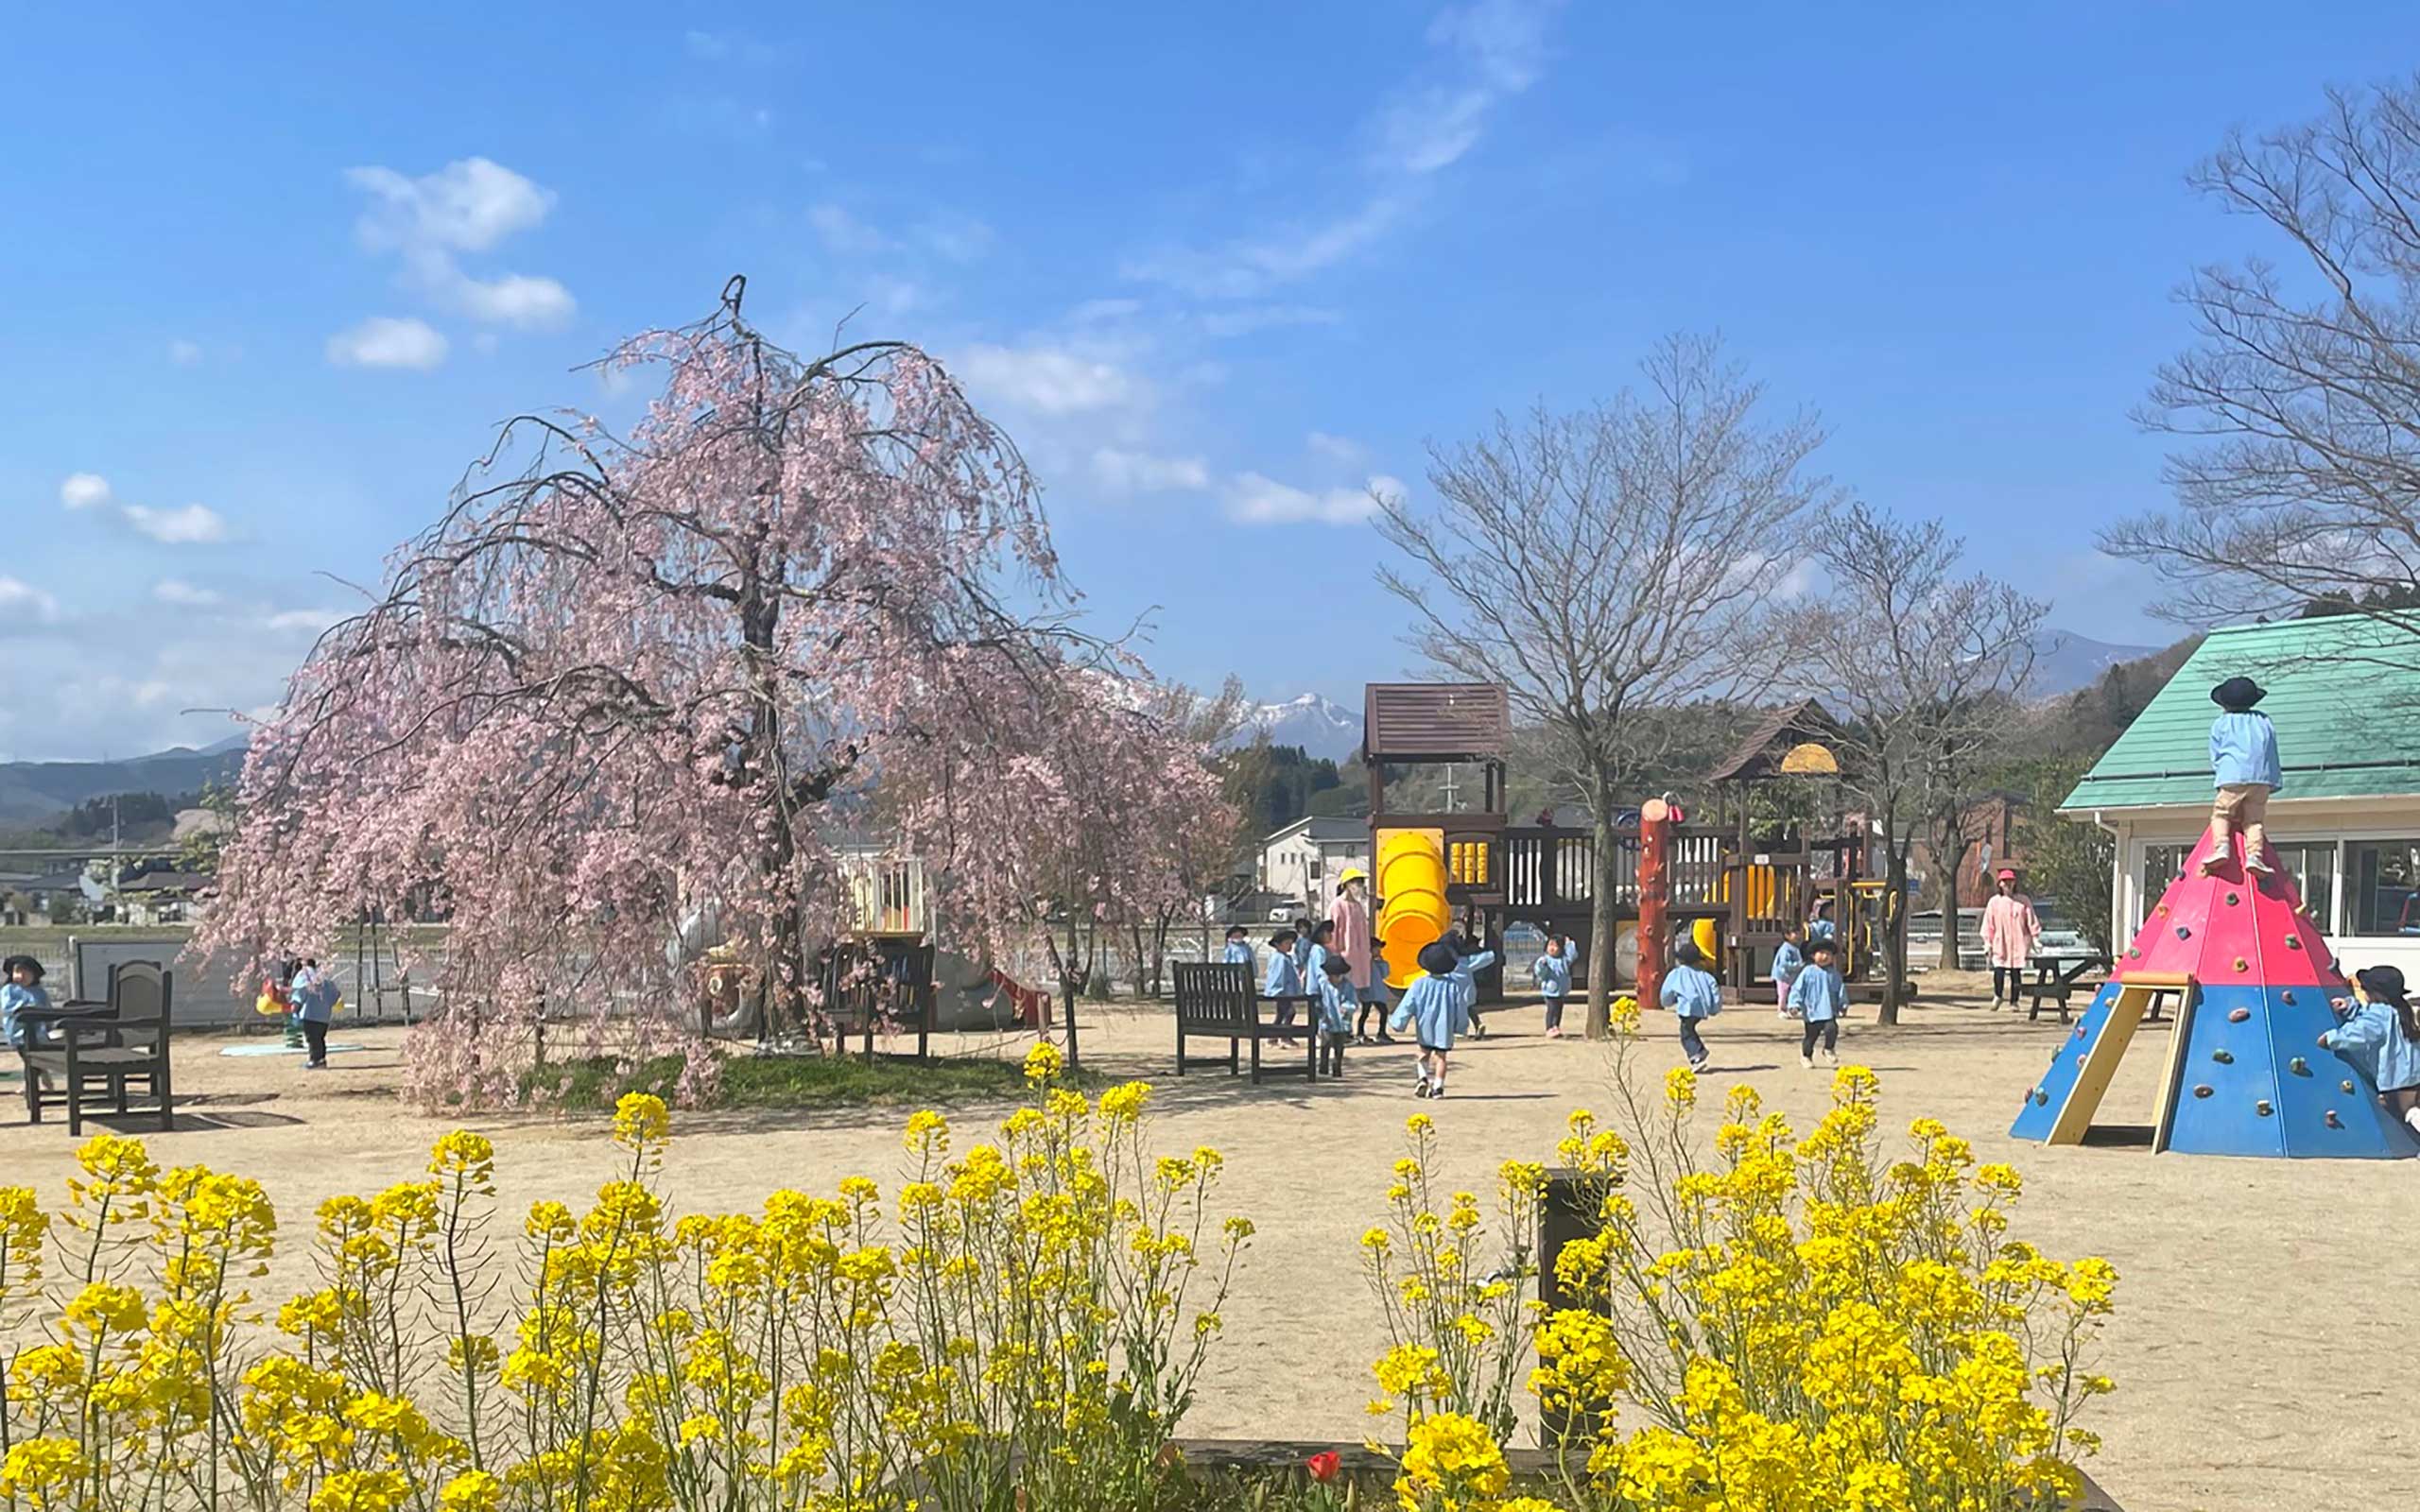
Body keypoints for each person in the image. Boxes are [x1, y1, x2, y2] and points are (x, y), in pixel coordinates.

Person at [2323, 965, 2420, 1142]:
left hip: (2398, 1078)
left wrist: (2331, 1039)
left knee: (2409, 1111)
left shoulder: (2379, 1015)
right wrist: (2351, 1007)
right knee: (2401, 1106)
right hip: (2413, 1074)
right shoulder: (2400, 1009)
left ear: (2377, 994)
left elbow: (2360, 1032)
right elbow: (2369, 1018)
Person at [2201, 676, 2283, 876]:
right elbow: (2271, 749)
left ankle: (2221, 848)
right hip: (2262, 778)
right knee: (2254, 820)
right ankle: (2255, 856)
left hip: (2232, 776)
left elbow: (2216, 755)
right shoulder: (2263, 720)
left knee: (2222, 813)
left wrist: (2221, 774)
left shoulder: (2221, 724)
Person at [1390, 941, 1471, 1099]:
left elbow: (1408, 1004)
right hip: (1444, 1026)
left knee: (1423, 1053)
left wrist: (1398, 1022)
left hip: (1424, 1025)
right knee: (1441, 1057)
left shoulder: (1419, 984)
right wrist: (1461, 1026)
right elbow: (1461, 1007)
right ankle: (1438, 1087)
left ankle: (1422, 1078)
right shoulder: (1453, 986)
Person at [1980, 868, 2042, 1009]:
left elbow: (2031, 919)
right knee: (1999, 970)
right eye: (2004, 881)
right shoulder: (1994, 902)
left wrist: (2035, 938)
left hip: (2018, 943)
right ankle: (1998, 995)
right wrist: (1987, 943)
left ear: (2014, 883)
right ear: (2000, 884)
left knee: (2016, 973)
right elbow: (1989, 924)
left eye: (2010, 881)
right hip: (2000, 942)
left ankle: (2014, 1001)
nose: (2007, 884)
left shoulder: (2023, 901)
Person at [1660, 939, 1720, 1071]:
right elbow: (1714, 990)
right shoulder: (1706, 975)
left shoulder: (1676, 974)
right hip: (1701, 1008)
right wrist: (1714, 1008)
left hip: (1687, 1008)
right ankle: (1700, 1050)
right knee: (1689, 1029)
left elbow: (1666, 991)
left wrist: (1667, 1002)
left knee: (1686, 1034)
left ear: (1680, 960)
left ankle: (1696, 1057)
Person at [1788, 936, 1846, 1070]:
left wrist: (1843, 1004)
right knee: (1810, 1037)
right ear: (1813, 956)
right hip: (1812, 1011)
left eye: (1828, 954)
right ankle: (1806, 1056)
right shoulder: (1808, 972)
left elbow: (1840, 990)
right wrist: (1794, 1004)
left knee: (1832, 1029)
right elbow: (1798, 989)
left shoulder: (1834, 974)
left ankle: (1828, 1049)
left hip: (1828, 1011)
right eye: (1821, 953)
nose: (1825, 956)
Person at [1446, 928, 1497, 1039]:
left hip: (1454, 990)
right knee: (1469, 1009)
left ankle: (1459, 1031)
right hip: (1468, 989)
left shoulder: (1447, 962)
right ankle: (1478, 1024)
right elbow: (1487, 958)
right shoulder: (1466, 961)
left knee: (1456, 1010)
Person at [292, 956, 338, 1070]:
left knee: (312, 1039)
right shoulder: (322, 977)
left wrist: (295, 1009)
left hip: (310, 1013)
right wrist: (326, 1004)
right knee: (320, 1038)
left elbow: (300, 992)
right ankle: (321, 1060)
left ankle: (315, 1060)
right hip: (324, 1015)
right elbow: (335, 994)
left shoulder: (304, 975)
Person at [1313, 954, 1356, 1075]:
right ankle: (1323, 1067)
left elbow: (1353, 1001)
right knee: (1325, 1044)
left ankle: (1337, 1067)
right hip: (1327, 1021)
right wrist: (1319, 1011)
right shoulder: (1323, 985)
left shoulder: (1348, 986)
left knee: (1339, 1046)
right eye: (1331, 976)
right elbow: (1318, 1000)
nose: (1335, 978)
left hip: (1342, 1023)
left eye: (1337, 975)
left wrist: (1347, 1008)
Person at [1262, 929, 1305, 1043]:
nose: (1290, 946)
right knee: (1290, 1012)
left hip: (1286, 992)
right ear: (1277, 944)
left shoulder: (1285, 957)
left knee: (1281, 1014)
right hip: (1282, 992)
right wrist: (1278, 991)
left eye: (1291, 943)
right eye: (1286, 943)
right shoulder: (1279, 959)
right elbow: (1278, 976)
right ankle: (1285, 1036)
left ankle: (1273, 1037)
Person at [2, 954, 49, 1051]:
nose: (21, 976)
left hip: (39, 1032)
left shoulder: (39, 992)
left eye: (26, 972)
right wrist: (26, 1008)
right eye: (17, 972)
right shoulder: (9, 990)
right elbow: (8, 1007)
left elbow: (47, 1007)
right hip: (17, 1030)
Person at [1531, 933, 1573, 1038]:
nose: (1552, 948)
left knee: (1559, 1009)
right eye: (1550, 945)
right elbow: (1539, 972)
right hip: (1549, 990)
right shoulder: (1545, 960)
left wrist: (1569, 944)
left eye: (1555, 946)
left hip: (1562, 990)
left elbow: (1572, 955)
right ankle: (1549, 1027)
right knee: (1551, 1009)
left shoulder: (1564, 960)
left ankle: (1556, 1026)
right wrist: (1542, 966)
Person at [1772, 926, 1806, 1021]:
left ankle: (1793, 1009)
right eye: (1795, 933)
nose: (1798, 936)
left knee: (1794, 993)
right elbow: (1784, 963)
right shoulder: (1786, 948)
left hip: (1792, 976)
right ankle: (1782, 1010)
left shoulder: (1795, 947)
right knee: (1783, 994)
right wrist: (1798, 965)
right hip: (1783, 975)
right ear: (1787, 935)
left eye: (1799, 933)